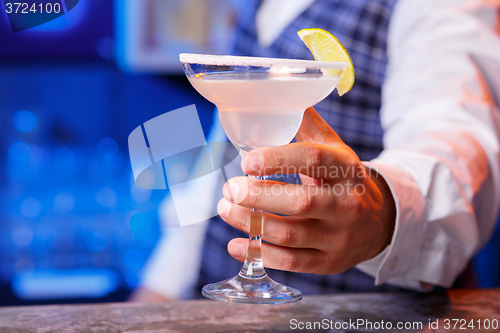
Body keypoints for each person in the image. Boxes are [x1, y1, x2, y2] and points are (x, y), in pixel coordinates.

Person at [130, 0, 500, 302]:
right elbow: (218, 157)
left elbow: (456, 137)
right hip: (210, 305)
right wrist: (160, 286)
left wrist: (384, 210)